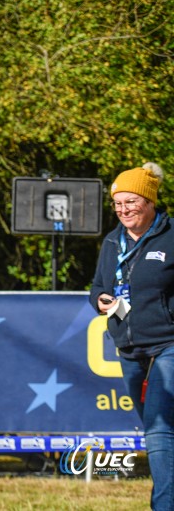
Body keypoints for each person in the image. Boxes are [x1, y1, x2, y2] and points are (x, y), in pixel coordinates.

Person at [90, 162, 174, 510]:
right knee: (160, 431)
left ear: (150, 201)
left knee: (158, 430)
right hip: (128, 347)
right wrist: (100, 300)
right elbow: (98, 287)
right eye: (118, 204)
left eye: (131, 202)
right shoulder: (112, 241)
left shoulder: (170, 236)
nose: (123, 210)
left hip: (169, 344)